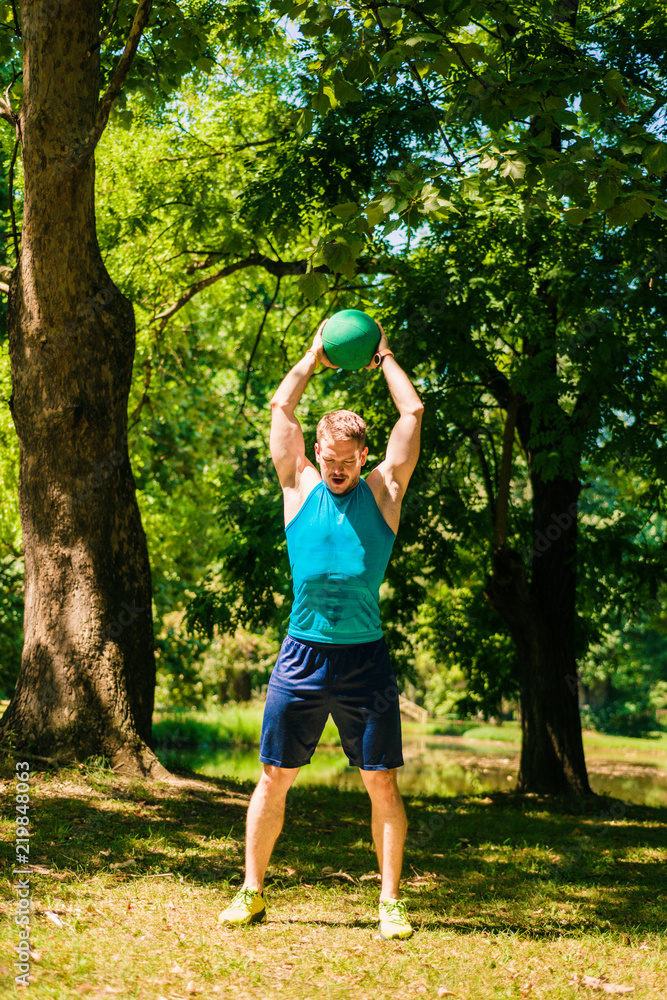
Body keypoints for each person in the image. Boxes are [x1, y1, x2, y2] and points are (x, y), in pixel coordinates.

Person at [219, 320, 423, 939]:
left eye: (346, 463)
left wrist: (383, 355)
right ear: (319, 454)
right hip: (301, 656)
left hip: (365, 661)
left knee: (380, 781)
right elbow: (281, 406)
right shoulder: (300, 485)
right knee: (273, 775)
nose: (336, 471)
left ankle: (389, 904)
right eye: (328, 460)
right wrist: (313, 355)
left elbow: (411, 412)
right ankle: (252, 893)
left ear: (365, 457)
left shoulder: (383, 491)